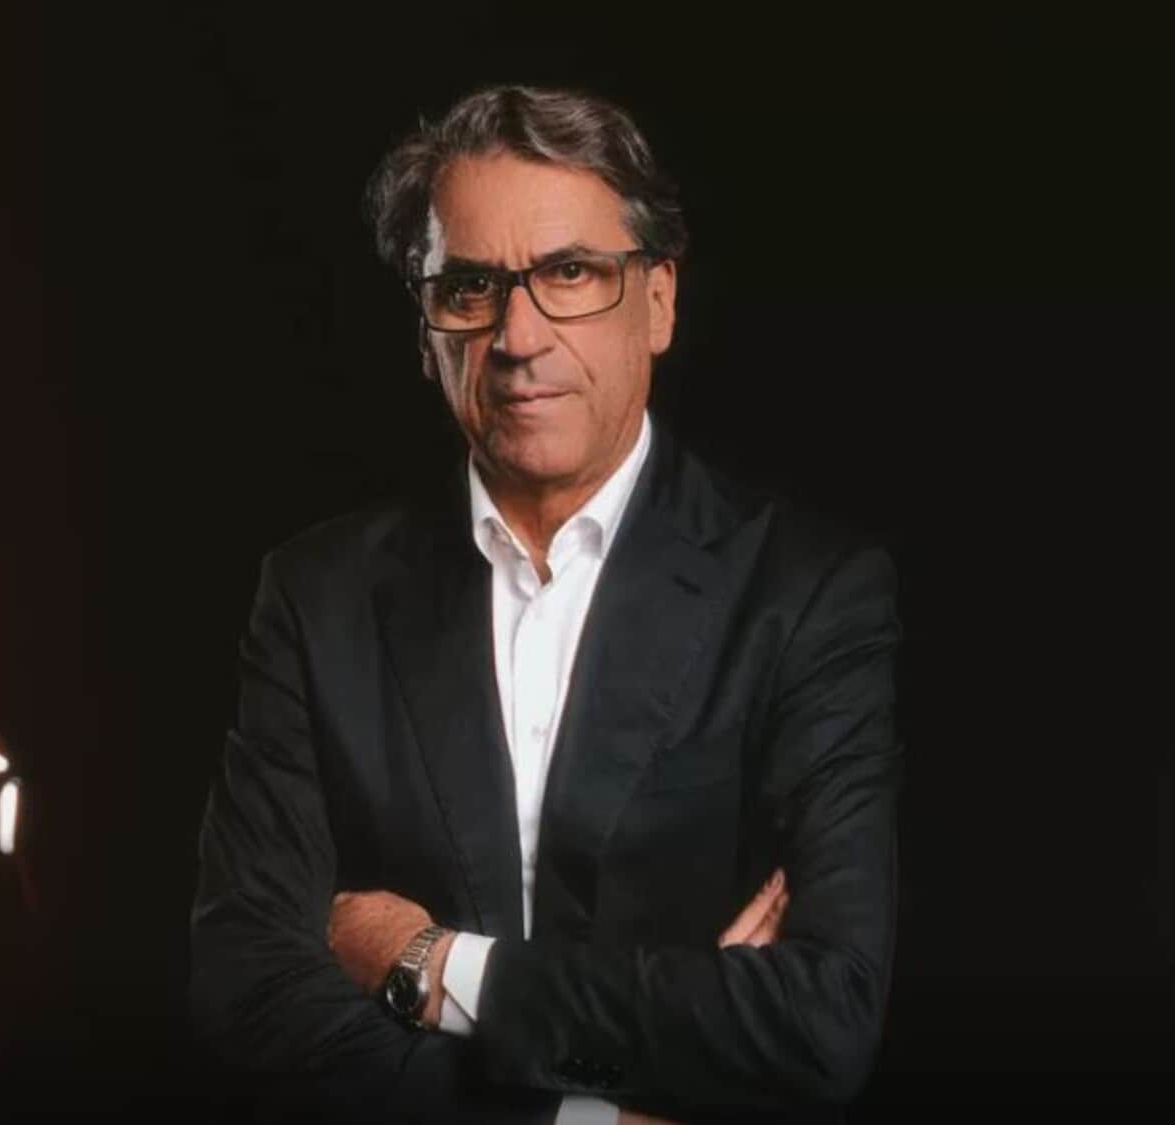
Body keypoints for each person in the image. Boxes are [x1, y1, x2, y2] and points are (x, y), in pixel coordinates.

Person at [188, 84, 901, 1124]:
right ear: (426, 329)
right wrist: (583, 1120)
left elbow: (817, 1020)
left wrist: (436, 963)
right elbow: (247, 986)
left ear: (657, 301)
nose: (518, 335)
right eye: (470, 286)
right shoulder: (317, 595)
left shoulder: (806, 593)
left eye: (570, 273)